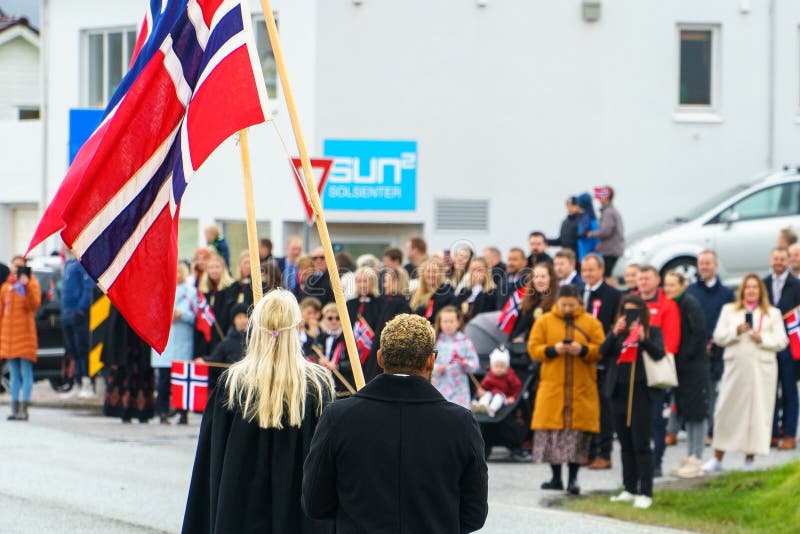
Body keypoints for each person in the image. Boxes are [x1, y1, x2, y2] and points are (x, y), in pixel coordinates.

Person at [301, 314, 488, 533]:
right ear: (431, 360)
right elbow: (474, 514)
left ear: (380, 358)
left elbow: (315, 503)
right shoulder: (461, 423)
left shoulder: (338, 417)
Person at [183, 289, 335, 534]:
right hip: (299, 513)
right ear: (297, 327)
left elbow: (210, 465)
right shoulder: (317, 385)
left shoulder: (232, 384)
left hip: (239, 510)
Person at [703, 274, 788, 472]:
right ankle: (718, 457)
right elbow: (718, 337)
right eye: (748, 287)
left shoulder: (772, 313)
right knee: (726, 410)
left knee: (757, 413)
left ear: (761, 291)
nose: (751, 291)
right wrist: (736, 331)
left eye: (755, 288)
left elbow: (782, 341)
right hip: (736, 369)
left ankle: (749, 459)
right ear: (742, 290)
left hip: (761, 370)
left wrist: (763, 338)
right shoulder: (729, 311)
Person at [528, 285, 605, 495]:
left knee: (577, 438)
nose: (568, 309)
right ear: (557, 302)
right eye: (564, 305)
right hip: (553, 389)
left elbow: (601, 349)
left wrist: (584, 350)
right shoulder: (544, 321)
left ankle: (573, 480)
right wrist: (554, 349)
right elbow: (533, 348)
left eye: (572, 305)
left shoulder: (591, 322)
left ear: (579, 302)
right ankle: (555, 478)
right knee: (552, 436)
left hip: (581, 389)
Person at [600, 295, 665, 510]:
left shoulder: (653, 331)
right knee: (625, 444)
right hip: (618, 391)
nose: (630, 316)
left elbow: (659, 354)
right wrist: (614, 333)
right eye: (626, 311)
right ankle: (629, 488)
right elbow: (602, 353)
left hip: (640, 393)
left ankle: (645, 491)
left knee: (641, 444)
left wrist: (643, 339)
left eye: (634, 311)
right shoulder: (618, 331)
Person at [662, 271, 709, 478]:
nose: (668, 288)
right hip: (680, 367)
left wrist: (684, 357)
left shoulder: (689, 303)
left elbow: (699, 332)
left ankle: (696, 457)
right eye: (666, 285)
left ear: (682, 285)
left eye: (673, 285)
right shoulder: (672, 304)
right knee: (686, 411)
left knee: (696, 412)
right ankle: (690, 454)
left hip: (693, 367)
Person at [637, 265, 682, 477]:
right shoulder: (631, 302)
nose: (644, 282)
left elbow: (671, 341)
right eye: (641, 279)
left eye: (648, 279)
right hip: (634, 369)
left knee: (656, 419)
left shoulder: (667, 305)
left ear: (657, 281)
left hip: (655, 368)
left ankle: (656, 462)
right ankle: (638, 459)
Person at [686, 250, 734, 443]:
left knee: (714, 390)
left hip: (718, 348)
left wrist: (714, 340)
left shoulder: (726, 293)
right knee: (697, 391)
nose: (704, 267)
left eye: (708, 263)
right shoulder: (691, 291)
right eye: (701, 264)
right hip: (696, 349)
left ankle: (713, 430)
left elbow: (728, 318)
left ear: (716, 266)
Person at [581, 253, 622, 470]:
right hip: (582, 359)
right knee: (586, 409)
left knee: (604, 410)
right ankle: (588, 451)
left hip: (604, 358)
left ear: (601, 270)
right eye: (584, 270)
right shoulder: (579, 292)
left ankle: (605, 453)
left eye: (591, 270)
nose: (587, 274)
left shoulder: (613, 295)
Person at [151, 262, 197, 425]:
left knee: (181, 380)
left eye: (179, 272)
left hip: (182, 342)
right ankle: (162, 412)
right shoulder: (160, 289)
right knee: (163, 380)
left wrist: (181, 315)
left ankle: (182, 413)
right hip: (165, 342)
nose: (176, 274)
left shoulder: (190, 292)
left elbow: (194, 315)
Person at [763, 247, 800, 450]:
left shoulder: (796, 286)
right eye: (775, 258)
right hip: (768, 345)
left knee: (788, 390)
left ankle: (789, 432)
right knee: (769, 390)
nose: (778, 262)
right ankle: (771, 432)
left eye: (782, 259)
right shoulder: (763, 284)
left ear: (788, 261)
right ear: (771, 260)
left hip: (789, 346)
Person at [1, 256, 41, 421]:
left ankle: (24, 408)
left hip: (25, 336)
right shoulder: (6, 287)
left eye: (19, 266)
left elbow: (34, 305)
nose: (16, 269)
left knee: (26, 372)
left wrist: (26, 287)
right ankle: (14, 407)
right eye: (14, 266)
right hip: (9, 337)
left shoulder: (31, 284)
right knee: (14, 374)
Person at [100, 304, 155, 423]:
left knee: (142, 372)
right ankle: (125, 410)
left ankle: (141, 412)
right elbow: (114, 323)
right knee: (126, 373)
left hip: (141, 336)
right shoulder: (120, 293)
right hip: (126, 339)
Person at [364, 267, 411, 382]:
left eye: (387, 281)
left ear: (397, 282)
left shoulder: (399, 305)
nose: (384, 285)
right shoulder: (389, 302)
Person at [60, 251, 96, 398]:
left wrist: (81, 308)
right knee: (73, 350)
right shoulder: (68, 264)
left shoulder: (84, 263)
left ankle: (88, 382)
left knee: (83, 348)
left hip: (78, 313)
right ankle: (77, 381)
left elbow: (88, 287)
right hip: (67, 313)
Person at [431, 305, 479, 408]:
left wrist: (466, 364)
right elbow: (427, 364)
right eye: (445, 321)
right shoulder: (435, 342)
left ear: (458, 322)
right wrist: (437, 368)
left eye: (451, 321)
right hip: (440, 387)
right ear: (440, 323)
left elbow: (475, 364)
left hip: (460, 390)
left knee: (459, 416)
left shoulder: (465, 341)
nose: (448, 325)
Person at [197, 253, 234, 355]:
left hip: (223, 335)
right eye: (211, 267)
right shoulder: (204, 291)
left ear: (223, 269)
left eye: (217, 267)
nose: (214, 270)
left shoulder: (230, 289)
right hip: (207, 339)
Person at [315, 302, 353, 397]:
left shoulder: (348, 338)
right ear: (324, 319)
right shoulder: (320, 337)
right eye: (330, 318)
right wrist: (318, 361)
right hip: (324, 383)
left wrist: (338, 366)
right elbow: (312, 354)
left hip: (343, 387)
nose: (334, 321)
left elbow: (354, 362)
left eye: (337, 318)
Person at [346, 267, 383, 363]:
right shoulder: (350, 303)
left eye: (365, 281)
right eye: (359, 281)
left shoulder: (380, 303)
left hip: (373, 353)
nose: (362, 285)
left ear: (373, 282)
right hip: (352, 352)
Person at [473, 347, 522, 417]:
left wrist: (513, 397)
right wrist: (481, 390)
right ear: (492, 367)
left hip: (503, 395)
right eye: (496, 367)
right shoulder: (490, 375)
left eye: (502, 367)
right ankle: (481, 406)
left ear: (507, 367)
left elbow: (517, 387)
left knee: (498, 398)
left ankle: (492, 409)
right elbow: (484, 385)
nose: (499, 369)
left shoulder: (510, 376)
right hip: (491, 392)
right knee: (486, 395)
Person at [590, 186, 625, 278]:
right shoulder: (612, 211)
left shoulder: (608, 212)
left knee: (607, 276)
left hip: (610, 251)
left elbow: (605, 231)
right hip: (612, 249)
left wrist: (591, 234)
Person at [201, 304, 248, 368]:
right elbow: (215, 359)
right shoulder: (226, 342)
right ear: (234, 320)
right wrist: (204, 360)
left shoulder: (255, 340)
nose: (243, 320)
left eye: (245, 316)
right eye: (239, 317)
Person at [409, 258, 455, 324]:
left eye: (434, 271)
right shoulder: (416, 293)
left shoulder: (446, 293)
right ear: (423, 273)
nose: (431, 275)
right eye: (428, 271)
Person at [455, 256, 498, 322]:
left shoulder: (492, 293)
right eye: (472, 270)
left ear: (486, 272)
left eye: (479, 270)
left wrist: (479, 291)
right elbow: (456, 310)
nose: (475, 273)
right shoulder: (464, 291)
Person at [575, 193, 599, 261]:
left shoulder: (586, 218)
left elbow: (582, 233)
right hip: (587, 251)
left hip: (588, 251)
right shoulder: (592, 217)